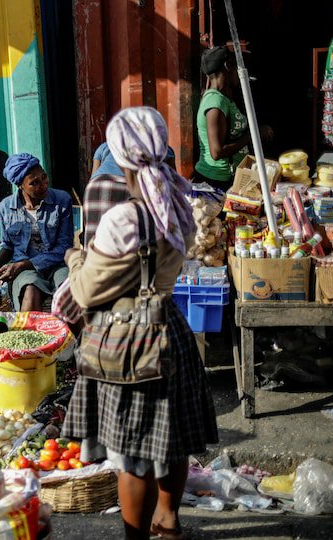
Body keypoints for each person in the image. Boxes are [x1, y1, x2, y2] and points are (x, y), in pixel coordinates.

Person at [62, 107, 218, 540]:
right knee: (173, 440)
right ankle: (168, 519)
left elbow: (86, 292)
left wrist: (75, 257)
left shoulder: (124, 218)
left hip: (130, 338)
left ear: (120, 155)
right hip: (170, 327)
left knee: (133, 455)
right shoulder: (180, 202)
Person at [0, 153, 72, 312]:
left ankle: (70, 329)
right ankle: (28, 328)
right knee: (30, 290)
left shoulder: (62, 200)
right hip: (24, 271)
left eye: (44, 177)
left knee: (66, 290)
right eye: (34, 182)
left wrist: (24, 264)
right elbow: (7, 246)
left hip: (57, 265)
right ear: (20, 185)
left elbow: (64, 248)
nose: (43, 184)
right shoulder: (5, 207)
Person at [194, 45, 273, 189]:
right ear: (227, 66)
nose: (240, 72)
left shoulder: (224, 98)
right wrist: (253, 135)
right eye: (237, 66)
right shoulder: (215, 102)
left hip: (229, 178)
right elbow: (217, 152)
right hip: (216, 181)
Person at [85, 143, 176, 244]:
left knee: (96, 238)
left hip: (101, 185)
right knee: (137, 237)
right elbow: (173, 183)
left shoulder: (106, 146)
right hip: (137, 184)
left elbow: (93, 176)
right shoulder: (162, 147)